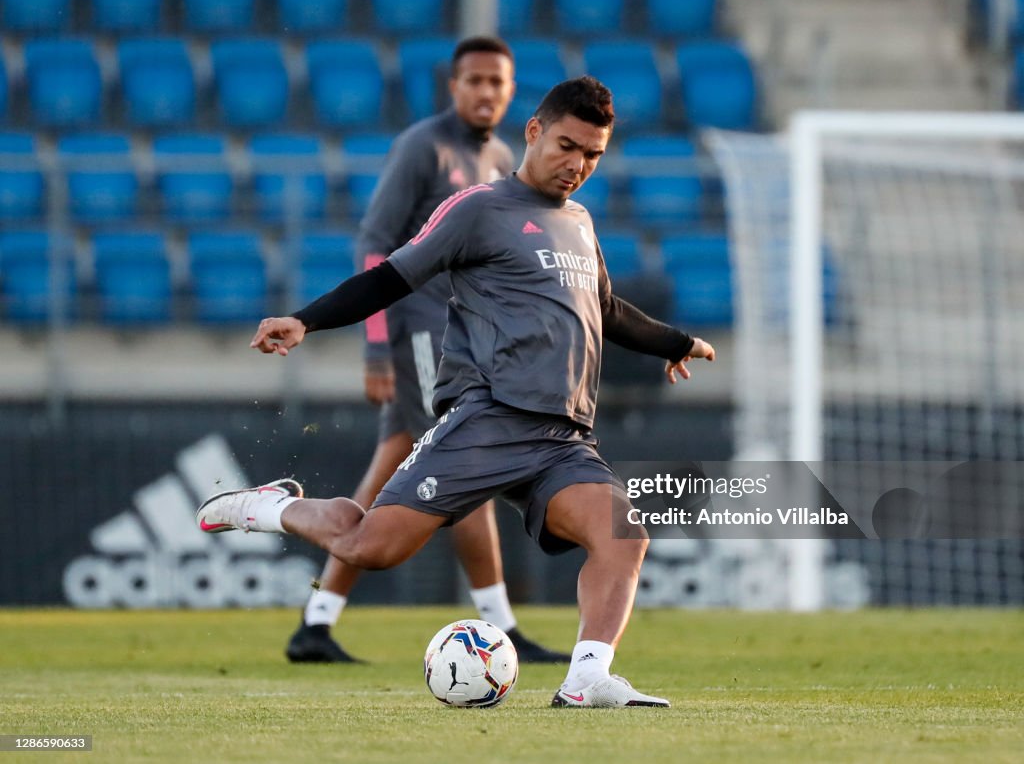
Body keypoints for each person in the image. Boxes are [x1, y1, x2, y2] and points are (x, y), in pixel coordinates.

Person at [198, 77, 716, 708]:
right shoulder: (477, 208)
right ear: (533, 131)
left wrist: (674, 343)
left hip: (562, 436)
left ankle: (585, 680)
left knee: (624, 532)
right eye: (567, 145)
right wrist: (306, 319)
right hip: (486, 419)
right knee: (370, 546)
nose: (578, 165)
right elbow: (391, 276)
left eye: (593, 155)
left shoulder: (579, 222)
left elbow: (605, 308)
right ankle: (267, 506)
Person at [286, 36, 568, 665]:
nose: (486, 92)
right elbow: (375, 243)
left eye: (498, 81)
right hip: (420, 332)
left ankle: (316, 622)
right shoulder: (423, 146)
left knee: (389, 468)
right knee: (462, 469)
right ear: (454, 86)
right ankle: (502, 626)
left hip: (464, 340)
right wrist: (377, 348)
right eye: (474, 80)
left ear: (512, 90)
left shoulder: (501, 156)